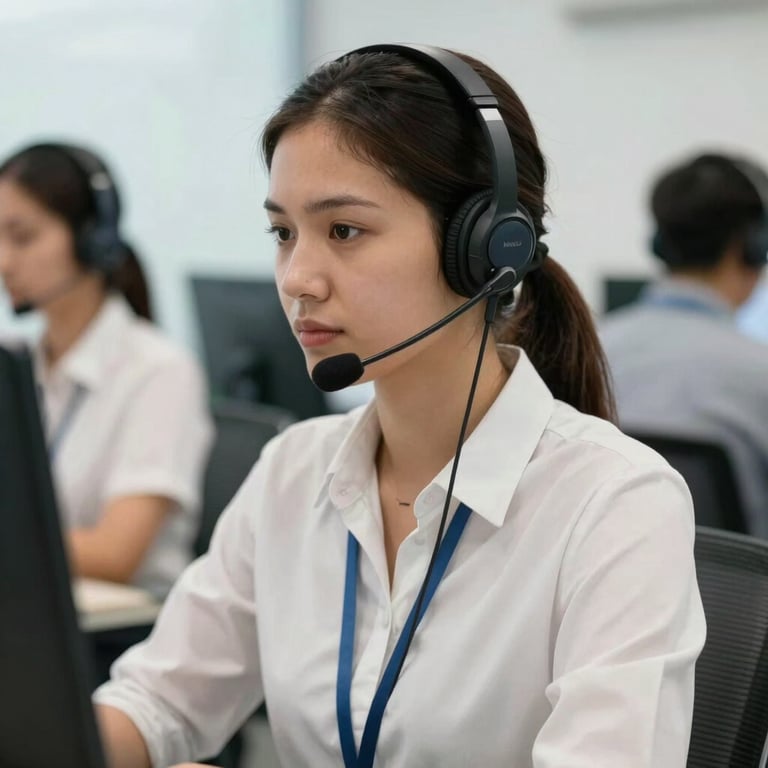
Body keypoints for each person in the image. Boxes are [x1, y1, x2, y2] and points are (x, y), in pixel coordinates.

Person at [93, 45, 705, 768]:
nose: (298, 278)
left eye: (344, 231)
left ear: (484, 249)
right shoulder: (294, 472)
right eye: (283, 233)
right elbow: (158, 703)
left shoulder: (614, 506)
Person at [0, 142, 213, 597]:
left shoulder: (158, 371)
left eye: (23, 237)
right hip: (35, 605)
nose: (4, 261)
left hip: (128, 627)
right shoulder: (22, 367)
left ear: (91, 238)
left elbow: (115, 555)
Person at [601, 151, 768, 536]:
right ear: (752, 246)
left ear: (659, 243)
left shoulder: (590, 351)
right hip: (729, 578)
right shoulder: (760, 373)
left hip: (611, 570)